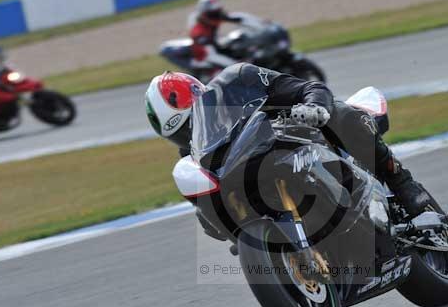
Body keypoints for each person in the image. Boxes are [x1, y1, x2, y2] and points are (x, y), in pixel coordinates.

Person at [144, 63, 430, 218]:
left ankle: (401, 182)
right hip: (258, 184)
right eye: (182, 133)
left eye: (192, 122)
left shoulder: (238, 80)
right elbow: (208, 217)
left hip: (297, 137)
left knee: (341, 112)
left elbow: (309, 87)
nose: (191, 133)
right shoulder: (193, 158)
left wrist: (314, 107)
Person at [188, 0, 241, 71]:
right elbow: (196, 35)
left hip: (215, 44)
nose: (218, 14)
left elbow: (231, 18)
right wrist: (203, 39)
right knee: (235, 66)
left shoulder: (214, 15)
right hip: (206, 52)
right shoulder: (197, 19)